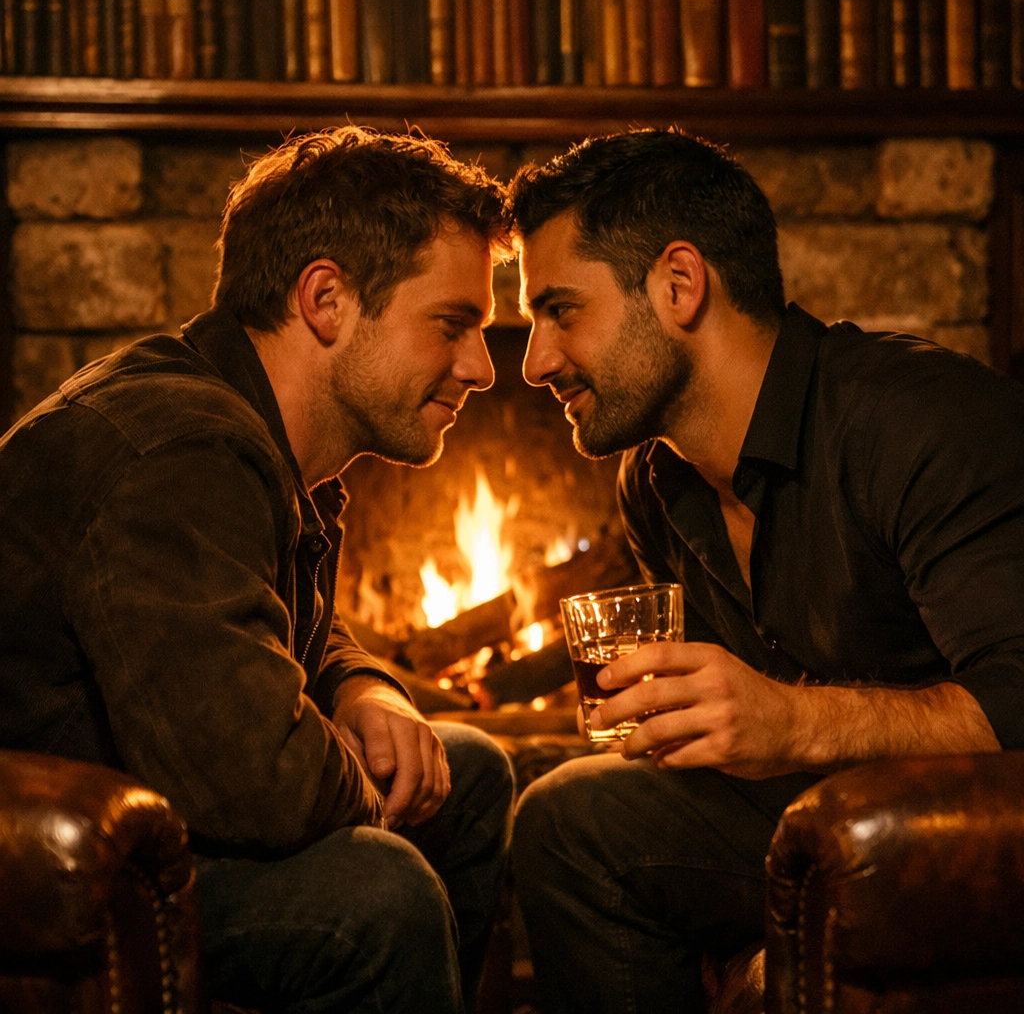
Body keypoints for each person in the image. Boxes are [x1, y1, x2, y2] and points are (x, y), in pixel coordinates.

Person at [0, 127, 516, 1014]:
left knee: (463, 773)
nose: (481, 367)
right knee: (376, 896)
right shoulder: (183, 449)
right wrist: (360, 778)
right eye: (452, 324)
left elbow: (249, 614)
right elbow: (253, 778)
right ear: (326, 299)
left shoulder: (248, 427)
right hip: (55, 862)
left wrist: (365, 690)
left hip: (150, 795)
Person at [507, 129, 1023, 1013]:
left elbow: (1020, 695)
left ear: (679, 284)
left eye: (561, 310)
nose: (535, 361)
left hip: (966, 833)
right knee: (561, 817)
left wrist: (791, 719)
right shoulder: (656, 481)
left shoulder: (917, 419)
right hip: (803, 822)